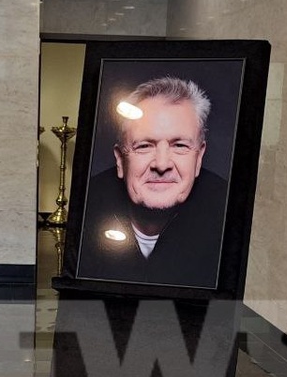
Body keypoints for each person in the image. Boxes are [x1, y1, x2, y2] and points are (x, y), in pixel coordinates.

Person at [76, 76, 229, 288]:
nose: (162, 164)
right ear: (120, 160)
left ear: (199, 157)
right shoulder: (84, 209)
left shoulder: (229, 216)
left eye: (180, 146)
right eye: (144, 146)